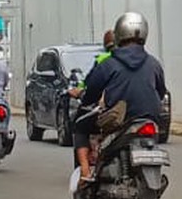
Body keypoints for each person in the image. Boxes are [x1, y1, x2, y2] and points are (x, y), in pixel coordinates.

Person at [70, 12, 165, 183]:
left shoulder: (109, 64)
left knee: (80, 126)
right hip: (151, 118)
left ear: (119, 34)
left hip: (118, 118)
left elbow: (92, 92)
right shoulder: (154, 63)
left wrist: (86, 101)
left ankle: (85, 172)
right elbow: (161, 91)